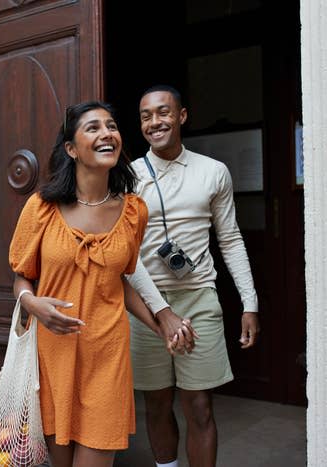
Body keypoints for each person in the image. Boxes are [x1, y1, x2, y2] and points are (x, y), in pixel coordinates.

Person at [8, 100, 195, 467]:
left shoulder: (132, 211)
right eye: (92, 128)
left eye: (111, 126)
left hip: (107, 354)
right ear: (71, 148)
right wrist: (32, 304)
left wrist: (162, 325)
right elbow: (22, 277)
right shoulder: (41, 207)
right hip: (54, 354)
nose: (106, 133)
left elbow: (118, 281)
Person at [126, 85, 260, 467]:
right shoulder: (128, 177)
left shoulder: (213, 172)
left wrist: (250, 303)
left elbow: (230, 239)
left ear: (181, 116)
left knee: (199, 405)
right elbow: (125, 254)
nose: (155, 122)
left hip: (199, 297)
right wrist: (158, 311)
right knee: (155, 403)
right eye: (146, 116)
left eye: (163, 113)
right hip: (145, 305)